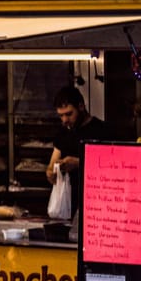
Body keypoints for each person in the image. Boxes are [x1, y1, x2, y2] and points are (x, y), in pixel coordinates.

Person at [46, 85, 105, 233]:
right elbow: (52, 165)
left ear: (81, 106)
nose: (64, 120)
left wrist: (78, 163)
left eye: (69, 114)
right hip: (67, 208)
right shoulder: (63, 133)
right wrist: (51, 172)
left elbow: (111, 168)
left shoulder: (101, 131)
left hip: (98, 210)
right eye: (61, 116)